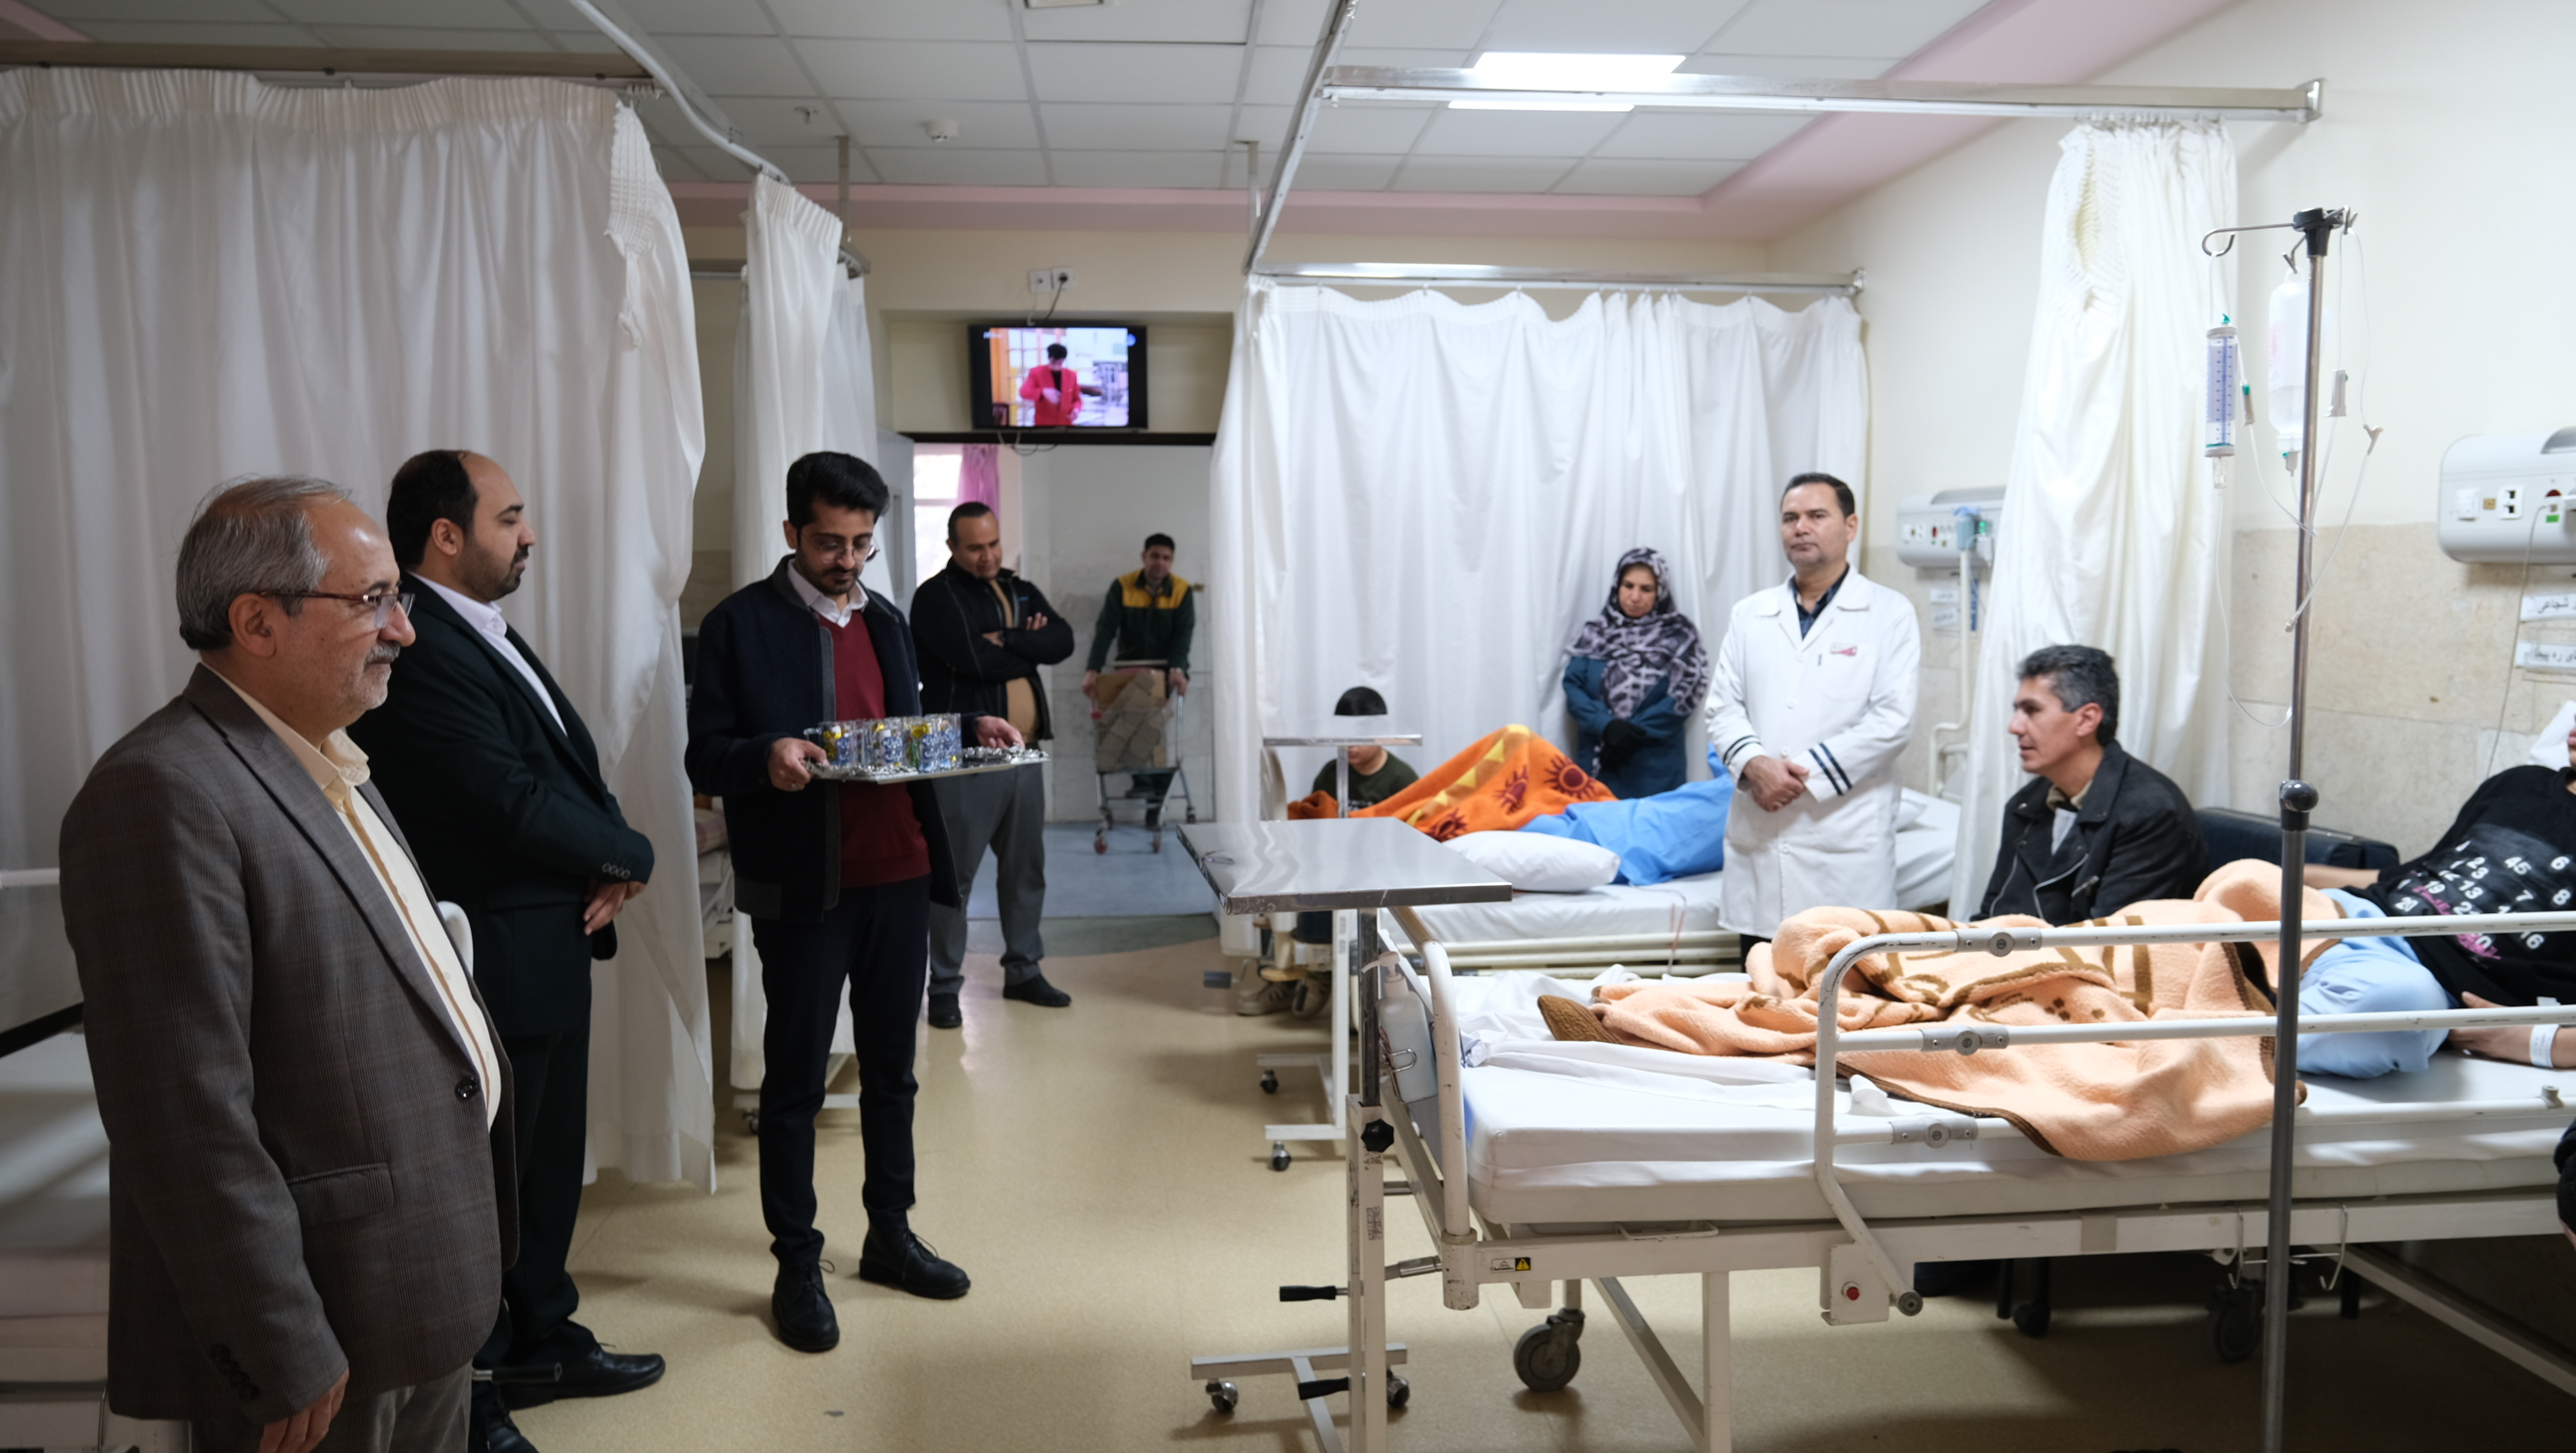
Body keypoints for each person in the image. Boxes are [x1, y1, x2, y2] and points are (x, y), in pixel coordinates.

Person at [59, 476, 514, 1453]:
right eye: (373, 600)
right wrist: (279, 1341)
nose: (406, 628)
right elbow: (183, 1117)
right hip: (326, 1324)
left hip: (415, 1284)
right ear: (257, 621)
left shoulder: (324, 755)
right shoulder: (161, 793)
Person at [348, 451, 662, 1451]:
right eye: (510, 517)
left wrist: (608, 846)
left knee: (545, 1165)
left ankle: (544, 1337)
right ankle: (477, 1387)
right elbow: (504, 796)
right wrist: (628, 851)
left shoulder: (475, 626)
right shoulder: (423, 641)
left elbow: (560, 769)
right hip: (496, 946)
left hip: (549, 935)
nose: (529, 535)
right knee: (493, 1177)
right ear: (447, 535)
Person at [684, 452, 1021, 1354]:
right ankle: (797, 1260)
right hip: (805, 886)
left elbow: (896, 731)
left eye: (862, 543)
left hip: (899, 875)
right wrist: (765, 756)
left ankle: (889, 1235)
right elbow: (704, 753)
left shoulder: (887, 619)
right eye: (830, 543)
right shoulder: (740, 624)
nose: (848, 560)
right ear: (791, 532)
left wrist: (968, 727)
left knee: (893, 1071)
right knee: (795, 1081)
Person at [1703, 472, 1920, 953]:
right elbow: (1722, 706)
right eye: (1790, 518)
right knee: (1760, 983)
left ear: (1851, 526)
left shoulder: (1889, 613)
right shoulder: (1750, 614)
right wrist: (1755, 765)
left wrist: (1800, 776)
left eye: (1817, 515)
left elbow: (1891, 721)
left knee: (1844, 986)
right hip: (1760, 840)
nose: (1800, 527)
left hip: (1844, 849)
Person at [2298, 722, 2576, 1079]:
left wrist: (2541, 1043)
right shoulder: (2520, 783)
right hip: (2349, 915)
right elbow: (2411, 874)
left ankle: (2244, 1028)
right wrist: (2287, 877)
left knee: (2399, 1012)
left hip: (2418, 983)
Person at [910, 501, 1077, 1028]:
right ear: (952, 547)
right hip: (965, 759)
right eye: (975, 547)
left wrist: (1008, 638)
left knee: (1025, 869)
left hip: (1024, 755)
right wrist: (1030, 647)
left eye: (994, 544)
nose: (987, 556)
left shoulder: (1018, 589)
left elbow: (1063, 640)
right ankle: (944, 986)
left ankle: (1024, 970)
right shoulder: (936, 597)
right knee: (953, 876)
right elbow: (971, 659)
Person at [1975, 645, 2208, 923]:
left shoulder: (2151, 813)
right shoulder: (2025, 804)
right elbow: (1992, 913)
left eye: (2032, 710)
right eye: (2017, 711)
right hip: (2033, 949)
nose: (2014, 726)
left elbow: (2111, 941)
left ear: (2086, 720)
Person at [1564, 547, 1708, 799]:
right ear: (1616, 586)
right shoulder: (1596, 633)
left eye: (1646, 589)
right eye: (1628, 585)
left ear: (1660, 591)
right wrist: (1606, 726)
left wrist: (1631, 733)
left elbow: (1687, 692)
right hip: (1599, 761)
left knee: (1654, 823)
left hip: (1654, 766)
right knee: (1597, 822)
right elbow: (1573, 687)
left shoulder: (1680, 635)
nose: (1635, 597)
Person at [1082, 532, 1196, 820]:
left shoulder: (1182, 591)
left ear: (1172, 561)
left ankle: (1146, 786)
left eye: (1166, 558)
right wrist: (1093, 668)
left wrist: (1177, 669)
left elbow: (1183, 635)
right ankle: (1149, 791)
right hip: (1128, 671)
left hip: (1164, 674)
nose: (1160, 562)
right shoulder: (1122, 586)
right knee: (1140, 728)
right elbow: (1106, 628)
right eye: (1154, 556)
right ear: (1144, 557)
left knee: (1145, 728)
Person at [1306, 685, 1418, 812]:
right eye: (1344, 734)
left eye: (1359, 736)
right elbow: (1312, 816)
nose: (1349, 744)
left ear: (1381, 732)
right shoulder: (1330, 774)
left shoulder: (1402, 779)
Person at [1017, 342, 1098, 427]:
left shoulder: (1071, 375)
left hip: (1066, 424)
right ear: (1049, 358)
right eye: (1053, 362)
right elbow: (1024, 392)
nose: (1056, 366)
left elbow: (1077, 400)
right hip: (1043, 426)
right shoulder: (1036, 372)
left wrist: (1076, 410)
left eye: (1059, 363)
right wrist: (1043, 392)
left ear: (1063, 360)